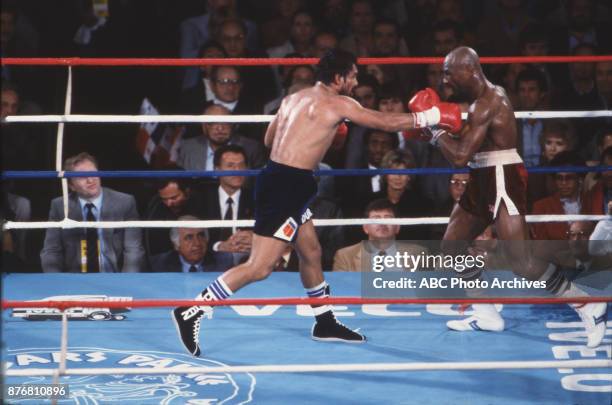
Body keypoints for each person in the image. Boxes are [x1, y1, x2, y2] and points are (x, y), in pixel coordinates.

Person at [172, 49, 461, 356]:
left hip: (281, 180)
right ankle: (192, 310)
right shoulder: (339, 103)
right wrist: (431, 116)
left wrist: (318, 136)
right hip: (288, 188)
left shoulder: (293, 98)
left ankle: (324, 321)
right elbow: (383, 122)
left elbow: (270, 141)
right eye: (352, 75)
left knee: (311, 251)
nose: (355, 80)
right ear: (338, 78)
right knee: (260, 266)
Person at [409, 46, 607, 347]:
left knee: (522, 262)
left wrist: (435, 130)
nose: (445, 77)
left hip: (502, 176)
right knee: (451, 245)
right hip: (482, 174)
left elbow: (460, 156)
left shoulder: (488, 102)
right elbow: (470, 151)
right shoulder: (477, 102)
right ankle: (486, 314)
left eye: (449, 71)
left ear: (469, 69)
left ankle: (587, 305)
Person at [40, 152, 145, 273]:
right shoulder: (59, 206)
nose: (90, 180)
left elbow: (134, 250)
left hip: (115, 277)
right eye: (82, 176)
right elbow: (51, 251)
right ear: (71, 185)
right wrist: (57, 283)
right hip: (75, 280)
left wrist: (127, 283)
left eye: (93, 173)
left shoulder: (125, 202)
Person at [333, 199, 427, 272]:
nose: (382, 223)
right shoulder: (345, 256)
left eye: (388, 218)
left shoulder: (418, 253)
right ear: (365, 227)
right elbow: (341, 292)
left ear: (398, 227)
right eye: (376, 218)